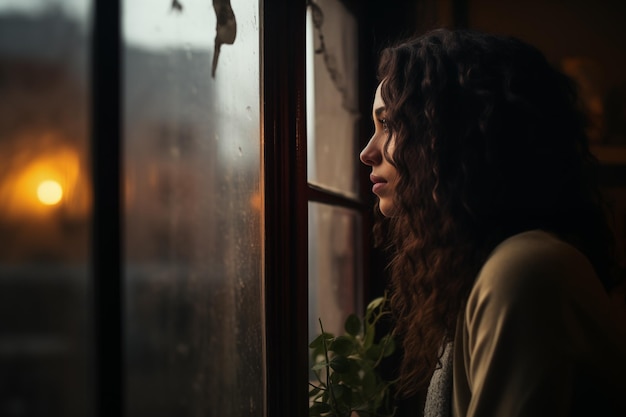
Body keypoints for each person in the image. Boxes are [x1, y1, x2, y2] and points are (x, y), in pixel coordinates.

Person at [359, 28, 626, 417]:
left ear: (453, 135)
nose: (367, 152)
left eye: (391, 124)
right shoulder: (484, 270)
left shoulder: (524, 270)